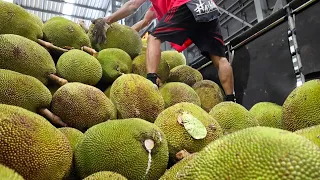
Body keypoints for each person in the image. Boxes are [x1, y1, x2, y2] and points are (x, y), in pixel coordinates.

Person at [91, 0, 236, 102]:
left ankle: (151, 80)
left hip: (186, 4)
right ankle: (231, 100)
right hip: (207, 7)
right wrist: (127, 34)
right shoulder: (158, 5)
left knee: (153, 38)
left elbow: (132, 5)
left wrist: (107, 20)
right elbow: (144, 23)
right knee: (220, 59)